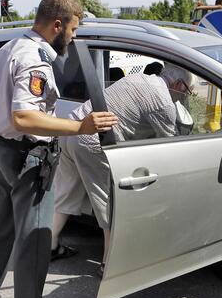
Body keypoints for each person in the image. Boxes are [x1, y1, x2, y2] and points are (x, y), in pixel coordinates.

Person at [0, 0, 118, 298]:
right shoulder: (35, 58)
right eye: (74, 30)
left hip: (3, 151)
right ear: (57, 25)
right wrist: (80, 127)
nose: (74, 37)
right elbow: (24, 116)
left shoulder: (11, 46)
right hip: (27, 159)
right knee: (35, 240)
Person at [50, 63, 195, 276]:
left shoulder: (138, 78)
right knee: (108, 203)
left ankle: (48, 246)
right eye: (187, 92)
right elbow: (170, 143)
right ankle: (108, 265)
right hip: (93, 140)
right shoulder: (163, 102)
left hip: (73, 128)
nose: (185, 97)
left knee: (66, 191)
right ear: (178, 84)